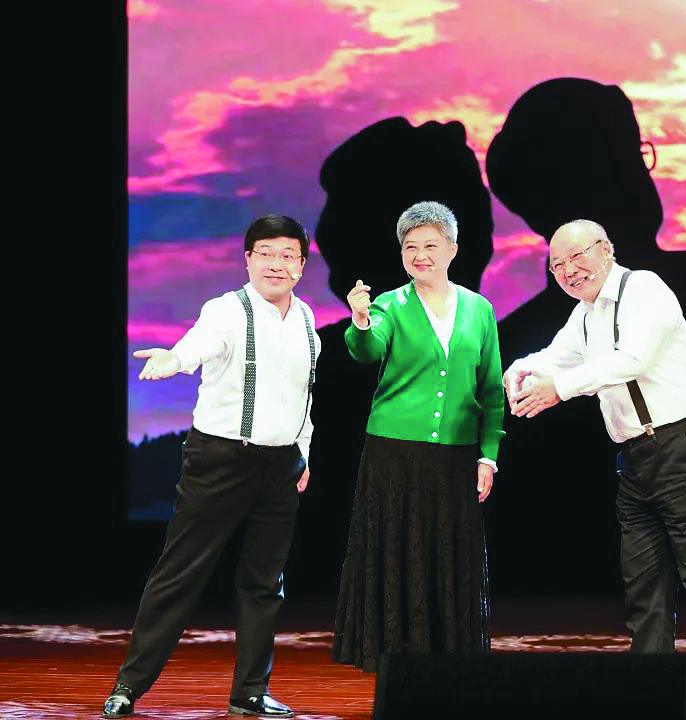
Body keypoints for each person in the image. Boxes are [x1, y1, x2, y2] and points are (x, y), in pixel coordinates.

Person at [504, 219, 686, 719]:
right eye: (557, 265)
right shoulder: (585, 313)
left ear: (607, 250)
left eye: (578, 256)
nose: (569, 270)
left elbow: (631, 359)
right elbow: (556, 357)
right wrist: (521, 369)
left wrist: (559, 390)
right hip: (635, 459)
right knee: (644, 588)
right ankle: (651, 696)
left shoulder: (645, 289)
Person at [103, 214, 321, 719]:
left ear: (301, 265)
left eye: (288, 255)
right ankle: (128, 686)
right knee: (180, 573)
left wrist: (304, 453)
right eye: (265, 253)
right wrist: (174, 360)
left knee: (264, 583)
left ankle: (250, 692)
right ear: (248, 259)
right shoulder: (226, 310)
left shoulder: (307, 318)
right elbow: (199, 344)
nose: (276, 263)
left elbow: (304, 394)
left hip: (282, 465)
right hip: (222, 459)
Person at [333, 201, 504, 672]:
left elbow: (491, 389)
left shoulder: (479, 309)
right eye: (410, 247)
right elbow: (367, 349)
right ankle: (393, 657)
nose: (420, 255)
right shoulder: (389, 305)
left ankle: (447, 658)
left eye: (430, 245)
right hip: (394, 452)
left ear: (452, 249)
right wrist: (360, 319)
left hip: (457, 455)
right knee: (395, 552)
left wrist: (488, 455)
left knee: (450, 554)